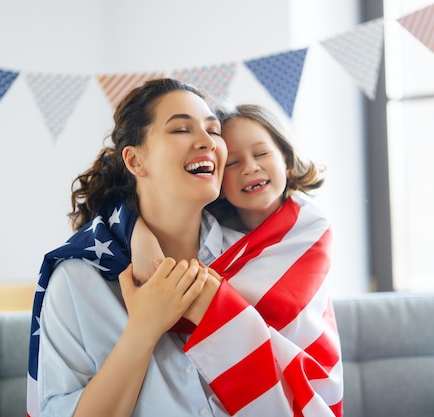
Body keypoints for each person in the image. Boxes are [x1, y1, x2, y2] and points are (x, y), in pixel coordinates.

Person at [28, 78, 342, 417]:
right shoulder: (78, 281)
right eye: (181, 130)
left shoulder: (260, 264)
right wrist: (143, 329)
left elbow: (298, 394)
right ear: (135, 162)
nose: (207, 141)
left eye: (213, 130)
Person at [133, 103, 344, 416]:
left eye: (261, 154)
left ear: (285, 160)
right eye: (231, 163)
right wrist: (137, 230)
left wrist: (161, 297)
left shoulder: (309, 229)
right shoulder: (211, 235)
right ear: (216, 177)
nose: (250, 168)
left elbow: (194, 303)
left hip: (300, 386)